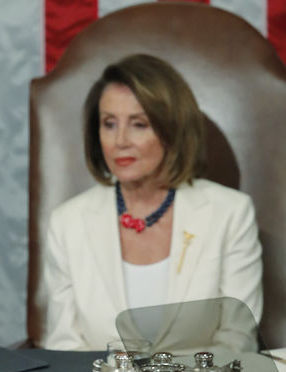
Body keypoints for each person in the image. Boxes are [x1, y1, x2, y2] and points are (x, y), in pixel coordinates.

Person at [41, 54, 263, 351]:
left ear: (172, 130)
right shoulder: (67, 223)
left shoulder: (230, 214)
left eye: (139, 124)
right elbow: (64, 346)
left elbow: (238, 340)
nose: (120, 140)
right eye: (109, 123)